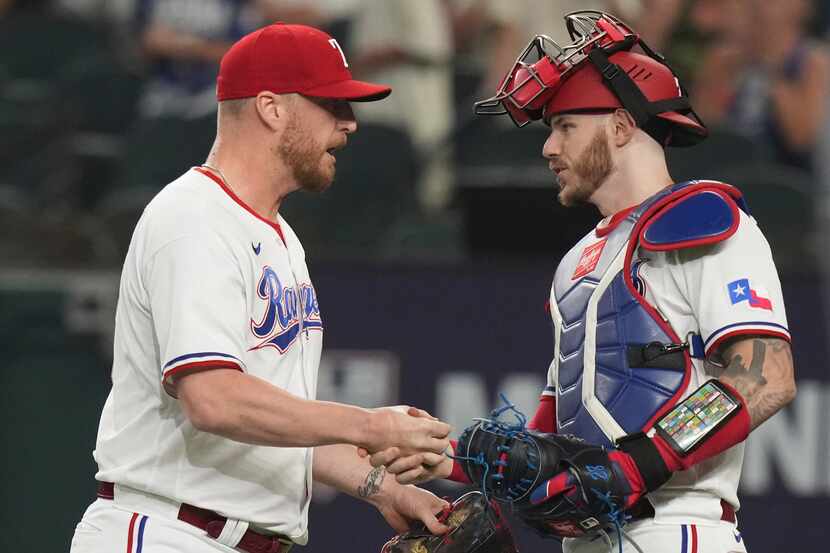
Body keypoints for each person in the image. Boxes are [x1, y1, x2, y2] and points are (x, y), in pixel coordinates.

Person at [371, 11, 796, 553]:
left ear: (621, 126)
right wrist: (456, 457)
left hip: (678, 528)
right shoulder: (579, 258)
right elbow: (559, 431)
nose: (549, 148)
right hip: (591, 539)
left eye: (565, 126)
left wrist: (638, 464)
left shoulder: (704, 219)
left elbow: (765, 378)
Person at [69, 22, 453, 553]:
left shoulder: (277, 235)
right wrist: (369, 425)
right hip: (170, 531)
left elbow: (269, 422)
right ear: (272, 108)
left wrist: (385, 490)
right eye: (332, 105)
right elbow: (216, 400)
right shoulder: (196, 218)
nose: (350, 123)